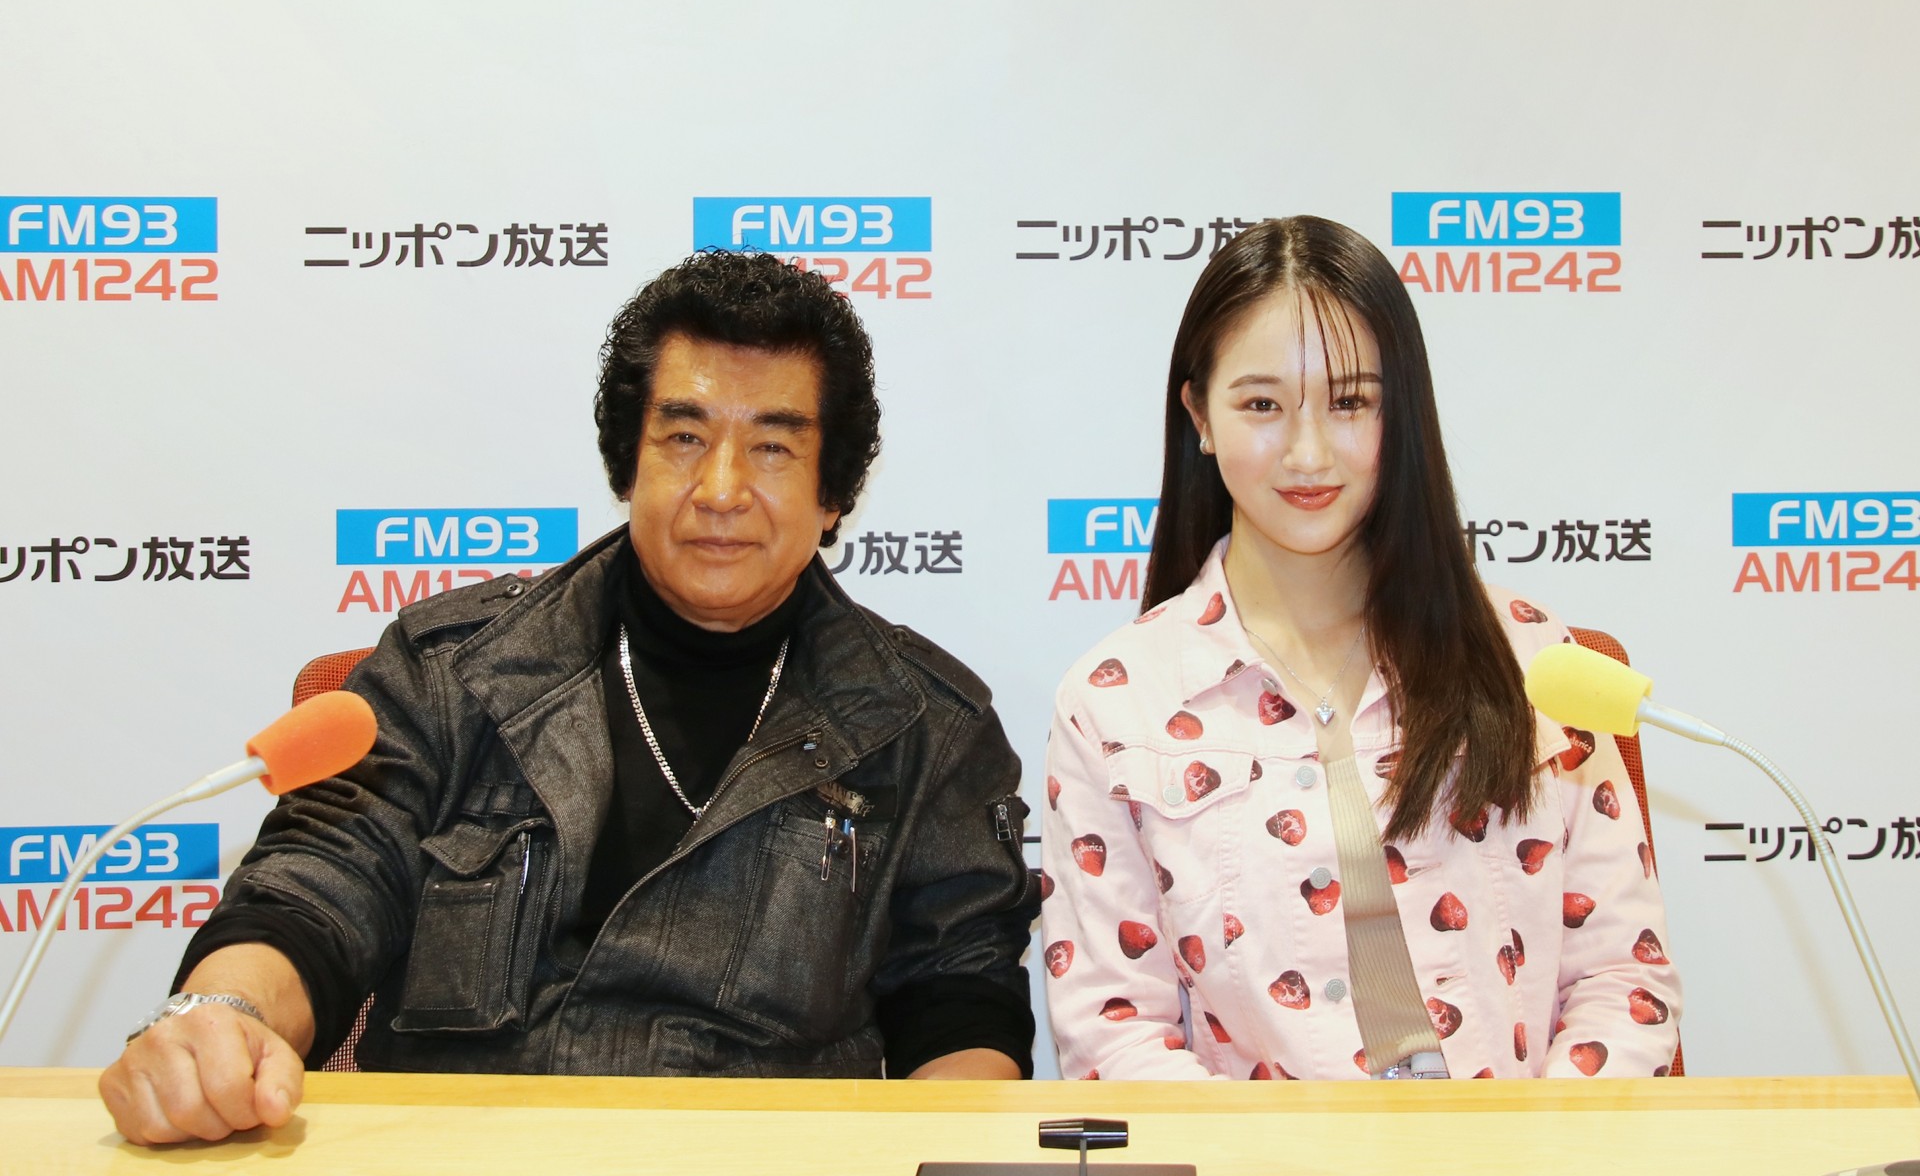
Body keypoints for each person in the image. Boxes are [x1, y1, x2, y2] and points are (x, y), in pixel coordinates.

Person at [100, 251, 1036, 1145]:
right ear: (627, 466)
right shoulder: (451, 670)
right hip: (461, 1152)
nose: (721, 490)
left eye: (773, 447)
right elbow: (318, 886)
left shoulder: (928, 726)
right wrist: (223, 1013)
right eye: (684, 438)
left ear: (833, 494)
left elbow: (959, 1005)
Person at [1040, 217, 1679, 1081]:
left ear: (1399, 411)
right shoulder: (1116, 703)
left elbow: (1622, 982)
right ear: (1199, 415)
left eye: (1349, 403)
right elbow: (1116, 1037)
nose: (1308, 453)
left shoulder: (1536, 663)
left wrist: (1532, 1149)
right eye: (1262, 405)